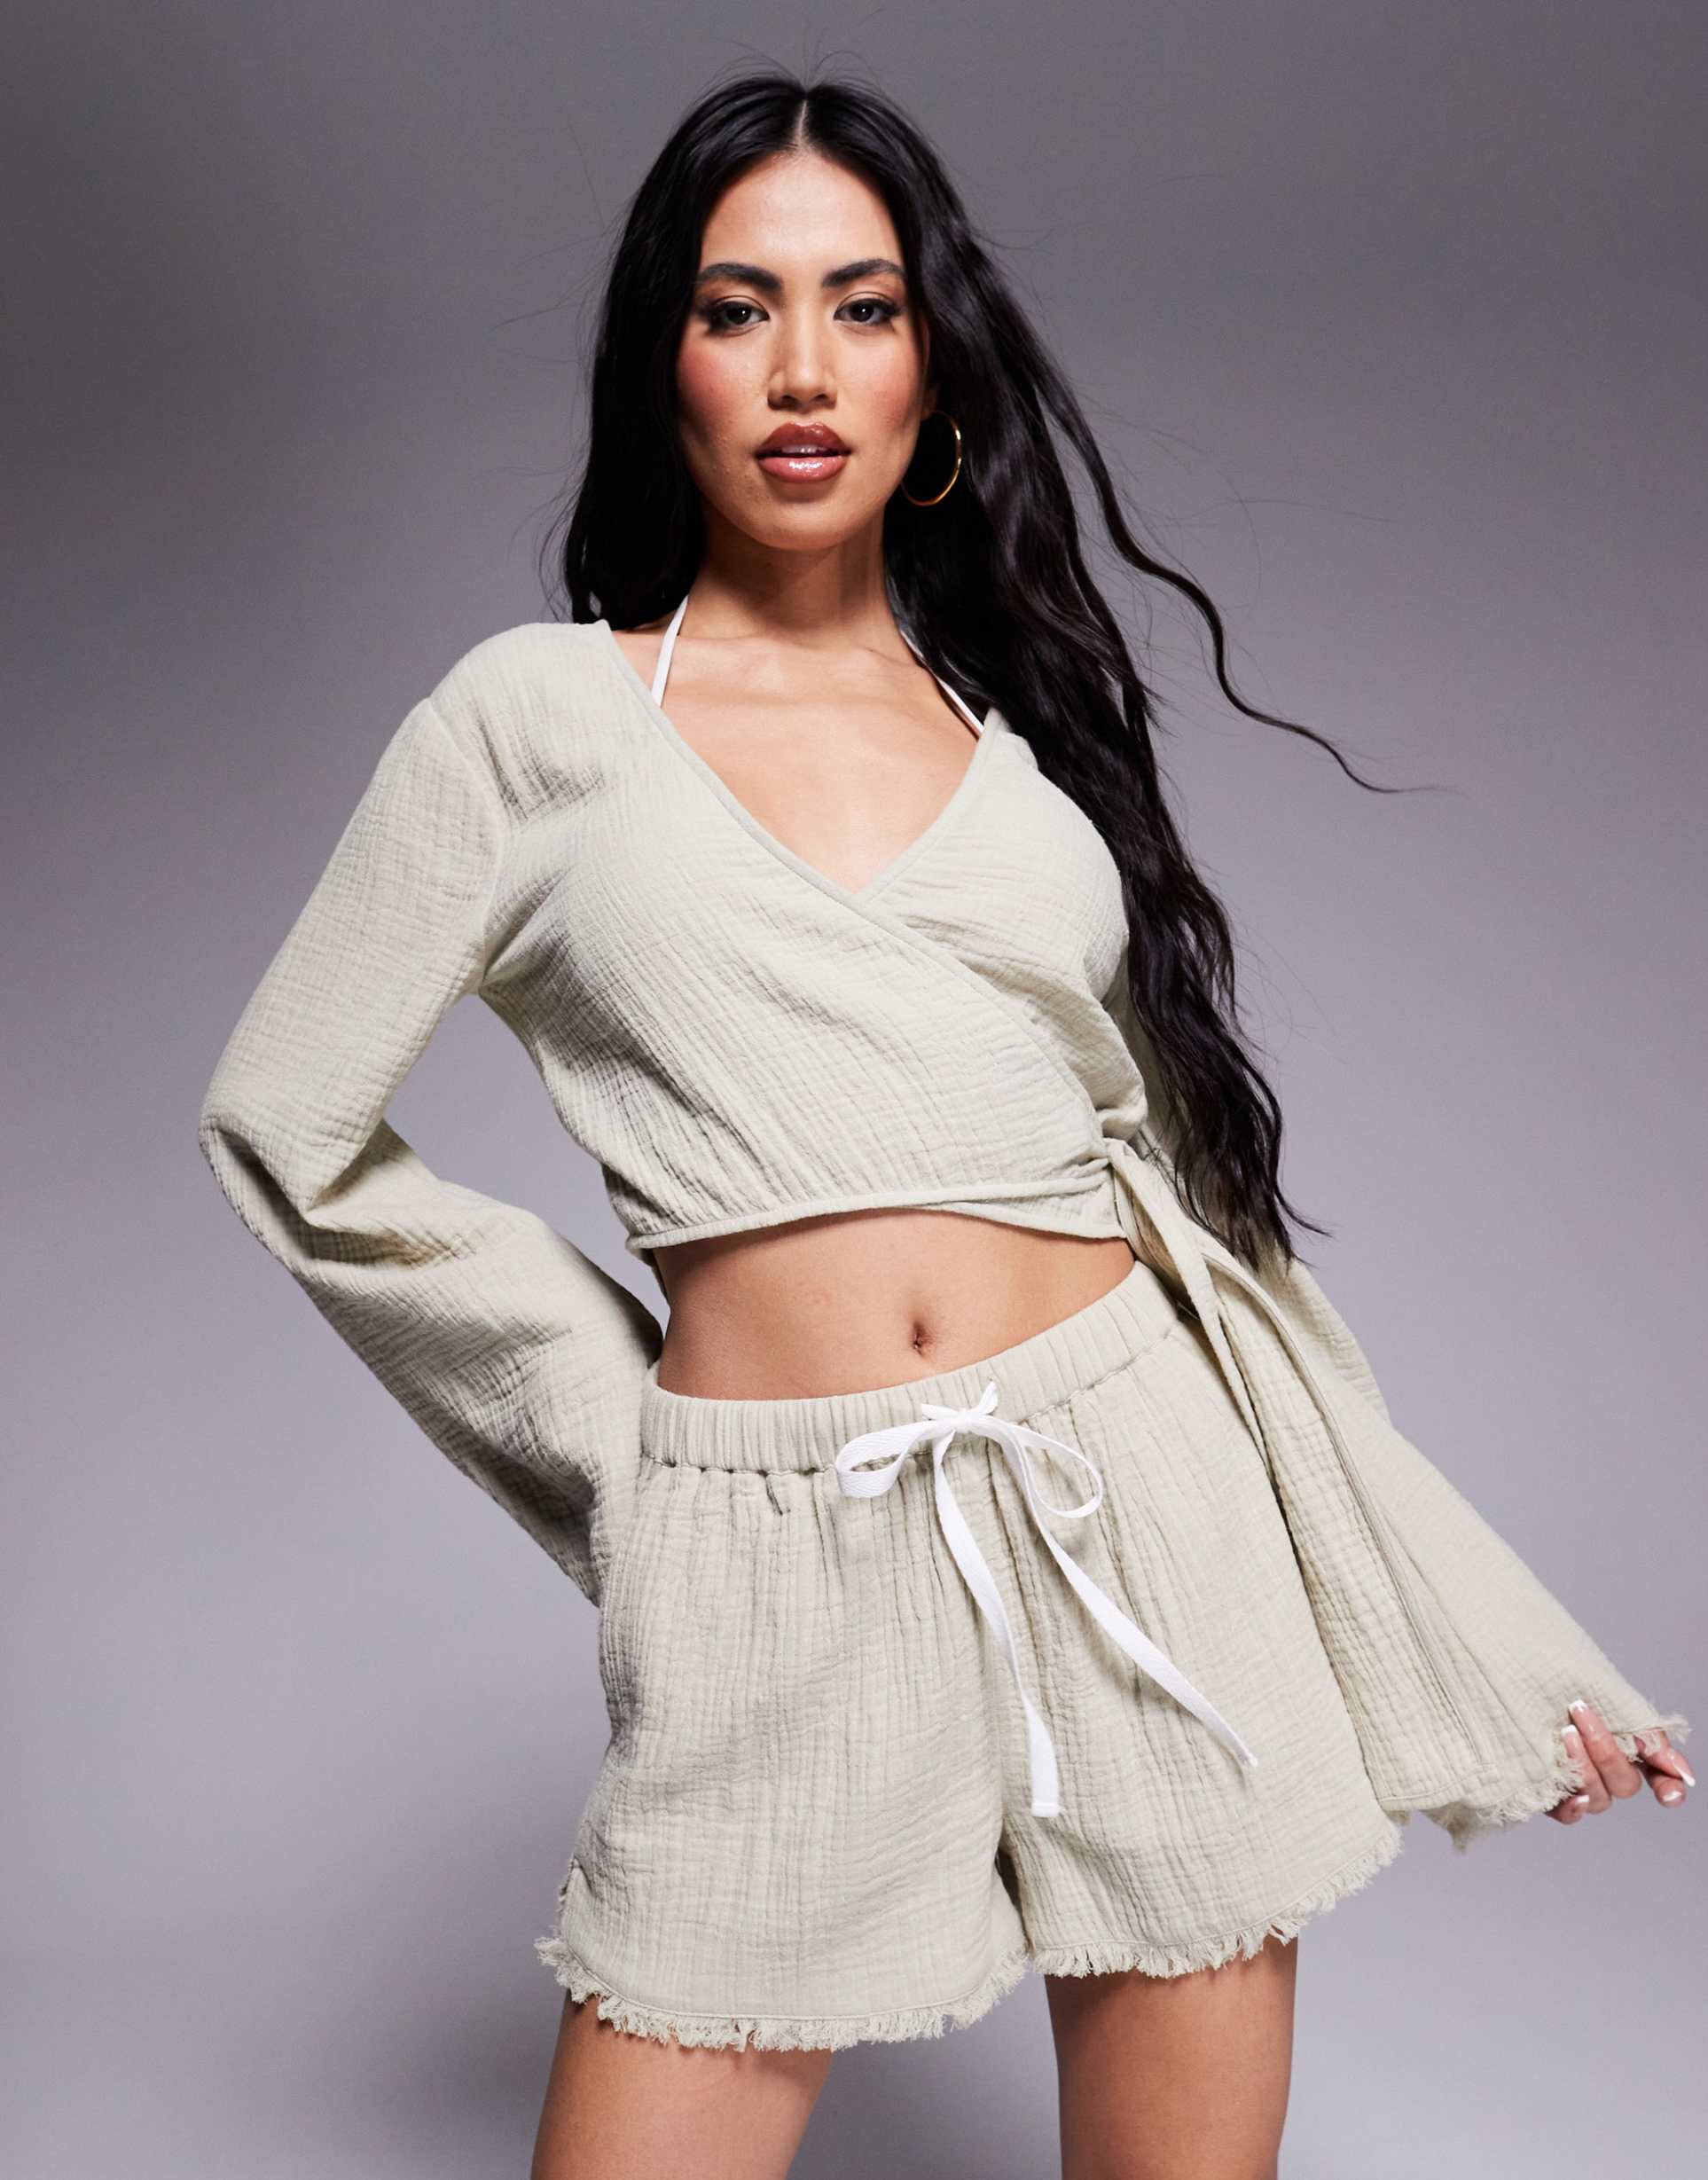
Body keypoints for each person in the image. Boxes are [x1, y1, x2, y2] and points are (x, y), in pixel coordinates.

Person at [196, 67, 1692, 2180]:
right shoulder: (536, 723)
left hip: (1142, 1506)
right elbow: (286, 1124)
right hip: (778, 1559)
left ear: (936, 378)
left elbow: (1216, 1266)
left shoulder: (1026, 741)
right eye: (738, 307)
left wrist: (1497, 1629)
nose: (802, 367)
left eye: (864, 306)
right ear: (663, 368)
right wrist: (632, 1435)